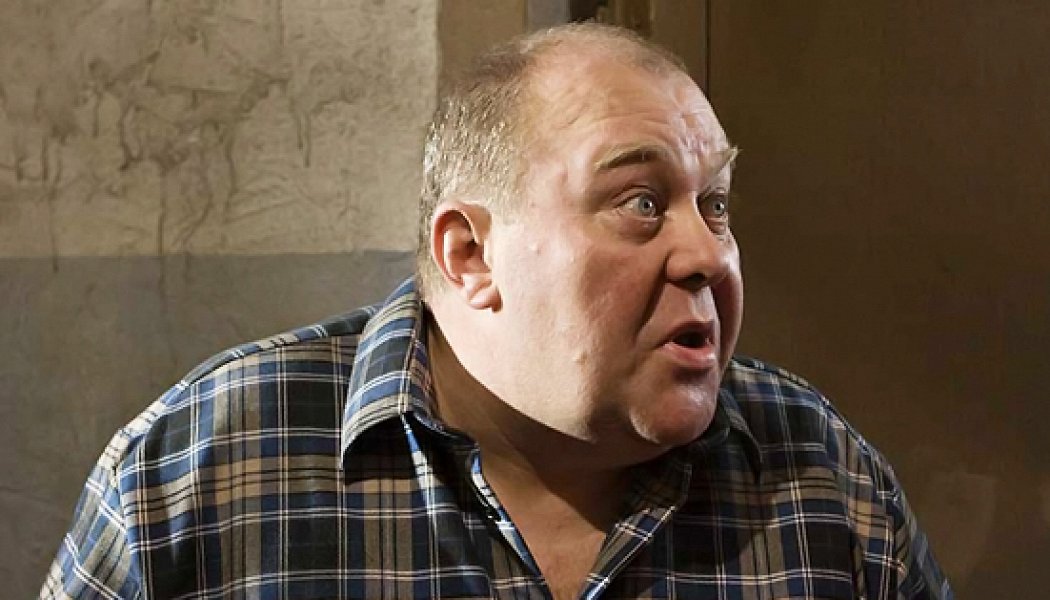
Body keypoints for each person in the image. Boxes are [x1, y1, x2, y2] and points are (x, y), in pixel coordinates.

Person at [41, 22, 951, 600]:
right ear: (471, 256)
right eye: (641, 202)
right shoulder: (197, 473)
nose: (709, 255)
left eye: (714, 204)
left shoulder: (821, 479)